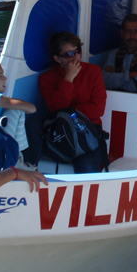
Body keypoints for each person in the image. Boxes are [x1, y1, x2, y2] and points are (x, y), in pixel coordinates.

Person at [39, 31, 107, 173]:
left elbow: (98, 109)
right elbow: (55, 110)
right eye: (68, 54)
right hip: (60, 133)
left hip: (88, 133)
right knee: (32, 125)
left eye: (77, 52)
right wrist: (68, 79)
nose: (75, 57)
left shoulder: (92, 71)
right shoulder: (47, 78)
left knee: (86, 166)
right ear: (57, 59)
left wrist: (68, 112)